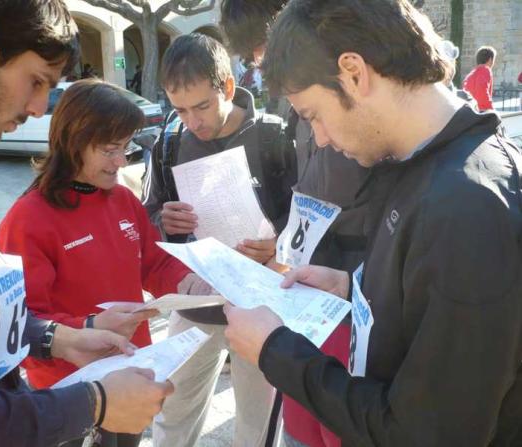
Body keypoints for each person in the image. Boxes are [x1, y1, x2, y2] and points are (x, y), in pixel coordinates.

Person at [224, 0, 522, 446]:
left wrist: (276, 352)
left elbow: (424, 434)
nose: (319, 138)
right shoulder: (417, 166)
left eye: (313, 115)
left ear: (354, 73)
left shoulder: (464, 209)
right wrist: (355, 286)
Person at [0, 2, 174, 446]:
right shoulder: (21, 210)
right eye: (37, 81)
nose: (41, 108)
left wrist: (60, 338)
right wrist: (93, 404)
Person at [0, 79, 210, 446]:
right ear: (73, 142)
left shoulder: (124, 200)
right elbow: (22, 323)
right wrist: (89, 325)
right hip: (70, 393)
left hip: (130, 372)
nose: (121, 162)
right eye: (110, 150)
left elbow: (155, 264)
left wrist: (189, 283)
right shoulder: (28, 220)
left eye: (126, 149)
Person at [220, 1, 369, 446]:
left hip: (350, 307)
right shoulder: (297, 109)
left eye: (264, 51)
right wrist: (282, 243)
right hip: (306, 297)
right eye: (255, 58)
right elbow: (307, 197)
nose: (263, 67)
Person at [142, 33, 296, 447]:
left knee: (257, 421)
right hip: (197, 299)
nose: (193, 121)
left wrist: (279, 243)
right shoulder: (169, 142)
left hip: (261, 300)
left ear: (227, 87)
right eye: (180, 109)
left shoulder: (274, 137)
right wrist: (162, 219)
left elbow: (306, 219)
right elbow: (150, 213)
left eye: (202, 106)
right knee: (171, 408)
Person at [463, 46, 497, 111]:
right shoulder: (485, 69)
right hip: (481, 110)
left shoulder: (471, 74)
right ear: (490, 59)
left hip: (470, 110)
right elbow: (482, 89)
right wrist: (491, 109)